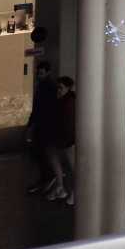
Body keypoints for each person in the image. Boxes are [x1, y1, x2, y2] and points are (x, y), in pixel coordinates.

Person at [26, 60, 59, 194]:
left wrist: (31, 124)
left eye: (41, 73)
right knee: (42, 152)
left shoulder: (44, 87)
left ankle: (48, 176)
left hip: (43, 125)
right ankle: (48, 177)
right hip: (44, 124)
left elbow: (39, 108)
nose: (39, 75)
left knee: (40, 152)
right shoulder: (48, 86)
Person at [46, 76, 76, 204]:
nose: (58, 90)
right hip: (60, 138)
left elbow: (67, 123)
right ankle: (60, 187)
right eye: (58, 87)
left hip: (67, 139)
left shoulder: (69, 102)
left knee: (72, 166)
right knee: (55, 158)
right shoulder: (63, 99)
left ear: (68, 88)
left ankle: (72, 191)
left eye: (61, 88)